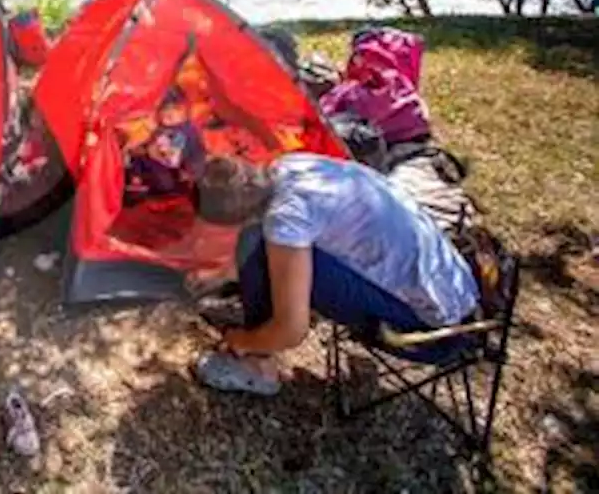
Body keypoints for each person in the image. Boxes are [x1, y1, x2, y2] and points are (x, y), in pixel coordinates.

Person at [191, 153, 480, 397]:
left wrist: (241, 339)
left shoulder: (286, 218)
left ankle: (257, 366)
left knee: (259, 246)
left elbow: (292, 331)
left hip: (430, 333)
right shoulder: (291, 165)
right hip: (460, 294)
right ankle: (276, 312)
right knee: (270, 247)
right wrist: (224, 277)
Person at [124, 89, 205, 204]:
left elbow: (183, 156)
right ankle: (136, 180)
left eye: (174, 109)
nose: (167, 113)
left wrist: (190, 170)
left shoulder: (188, 131)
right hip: (161, 167)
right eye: (164, 109)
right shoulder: (158, 129)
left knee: (166, 183)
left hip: (179, 171)